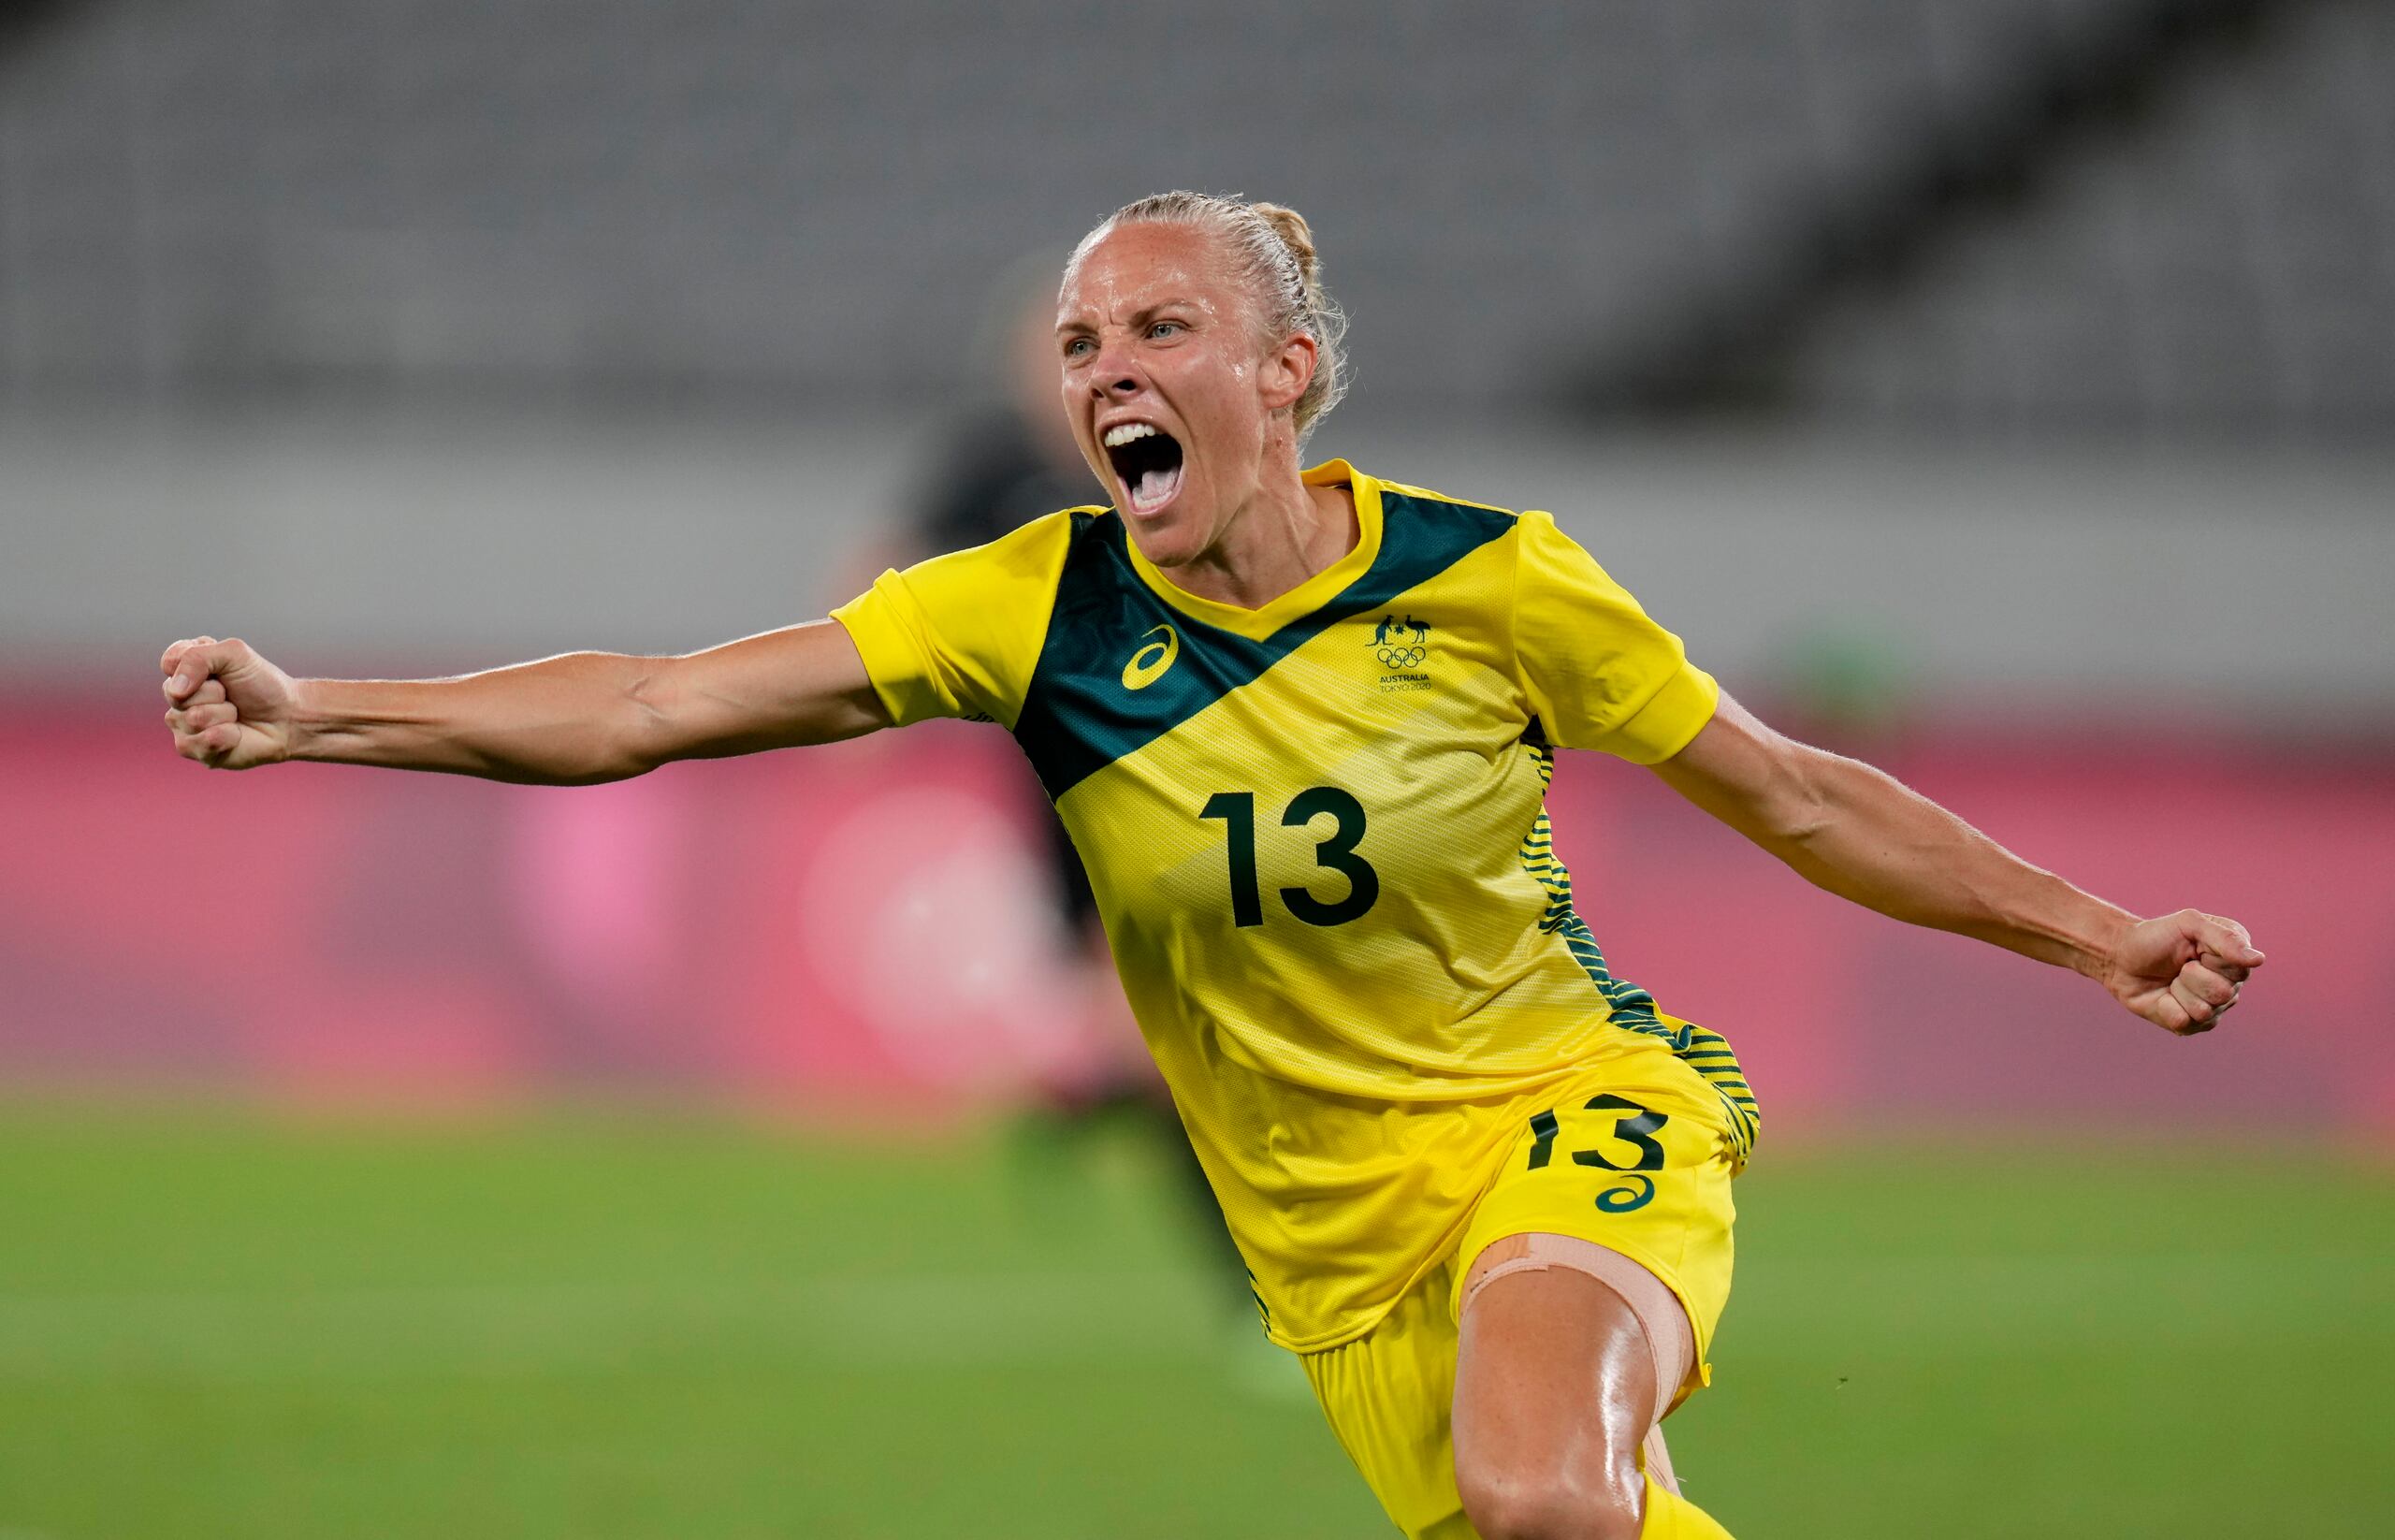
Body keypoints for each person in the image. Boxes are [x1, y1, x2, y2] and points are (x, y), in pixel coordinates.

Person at [160, 191, 2262, 1540]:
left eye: (1155, 329)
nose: (1106, 377)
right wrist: (324, 706)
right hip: (1334, 1268)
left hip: (1570, 1118)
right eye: (1080, 349)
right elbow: (645, 708)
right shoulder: (1033, 606)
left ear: (1280, 373)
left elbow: (1793, 793)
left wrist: (2090, 932)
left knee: (1542, 1496)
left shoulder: (1487, 582)